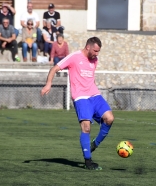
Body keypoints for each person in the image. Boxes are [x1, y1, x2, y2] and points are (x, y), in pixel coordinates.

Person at [41, 37, 114, 170]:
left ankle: (95, 144)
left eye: (98, 52)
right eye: (95, 51)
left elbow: (89, 78)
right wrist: (48, 84)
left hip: (95, 95)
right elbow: (54, 69)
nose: (97, 54)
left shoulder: (95, 60)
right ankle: (88, 161)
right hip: (81, 97)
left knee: (109, 119)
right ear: (88, 47)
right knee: (86, 127)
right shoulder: (74, 57)